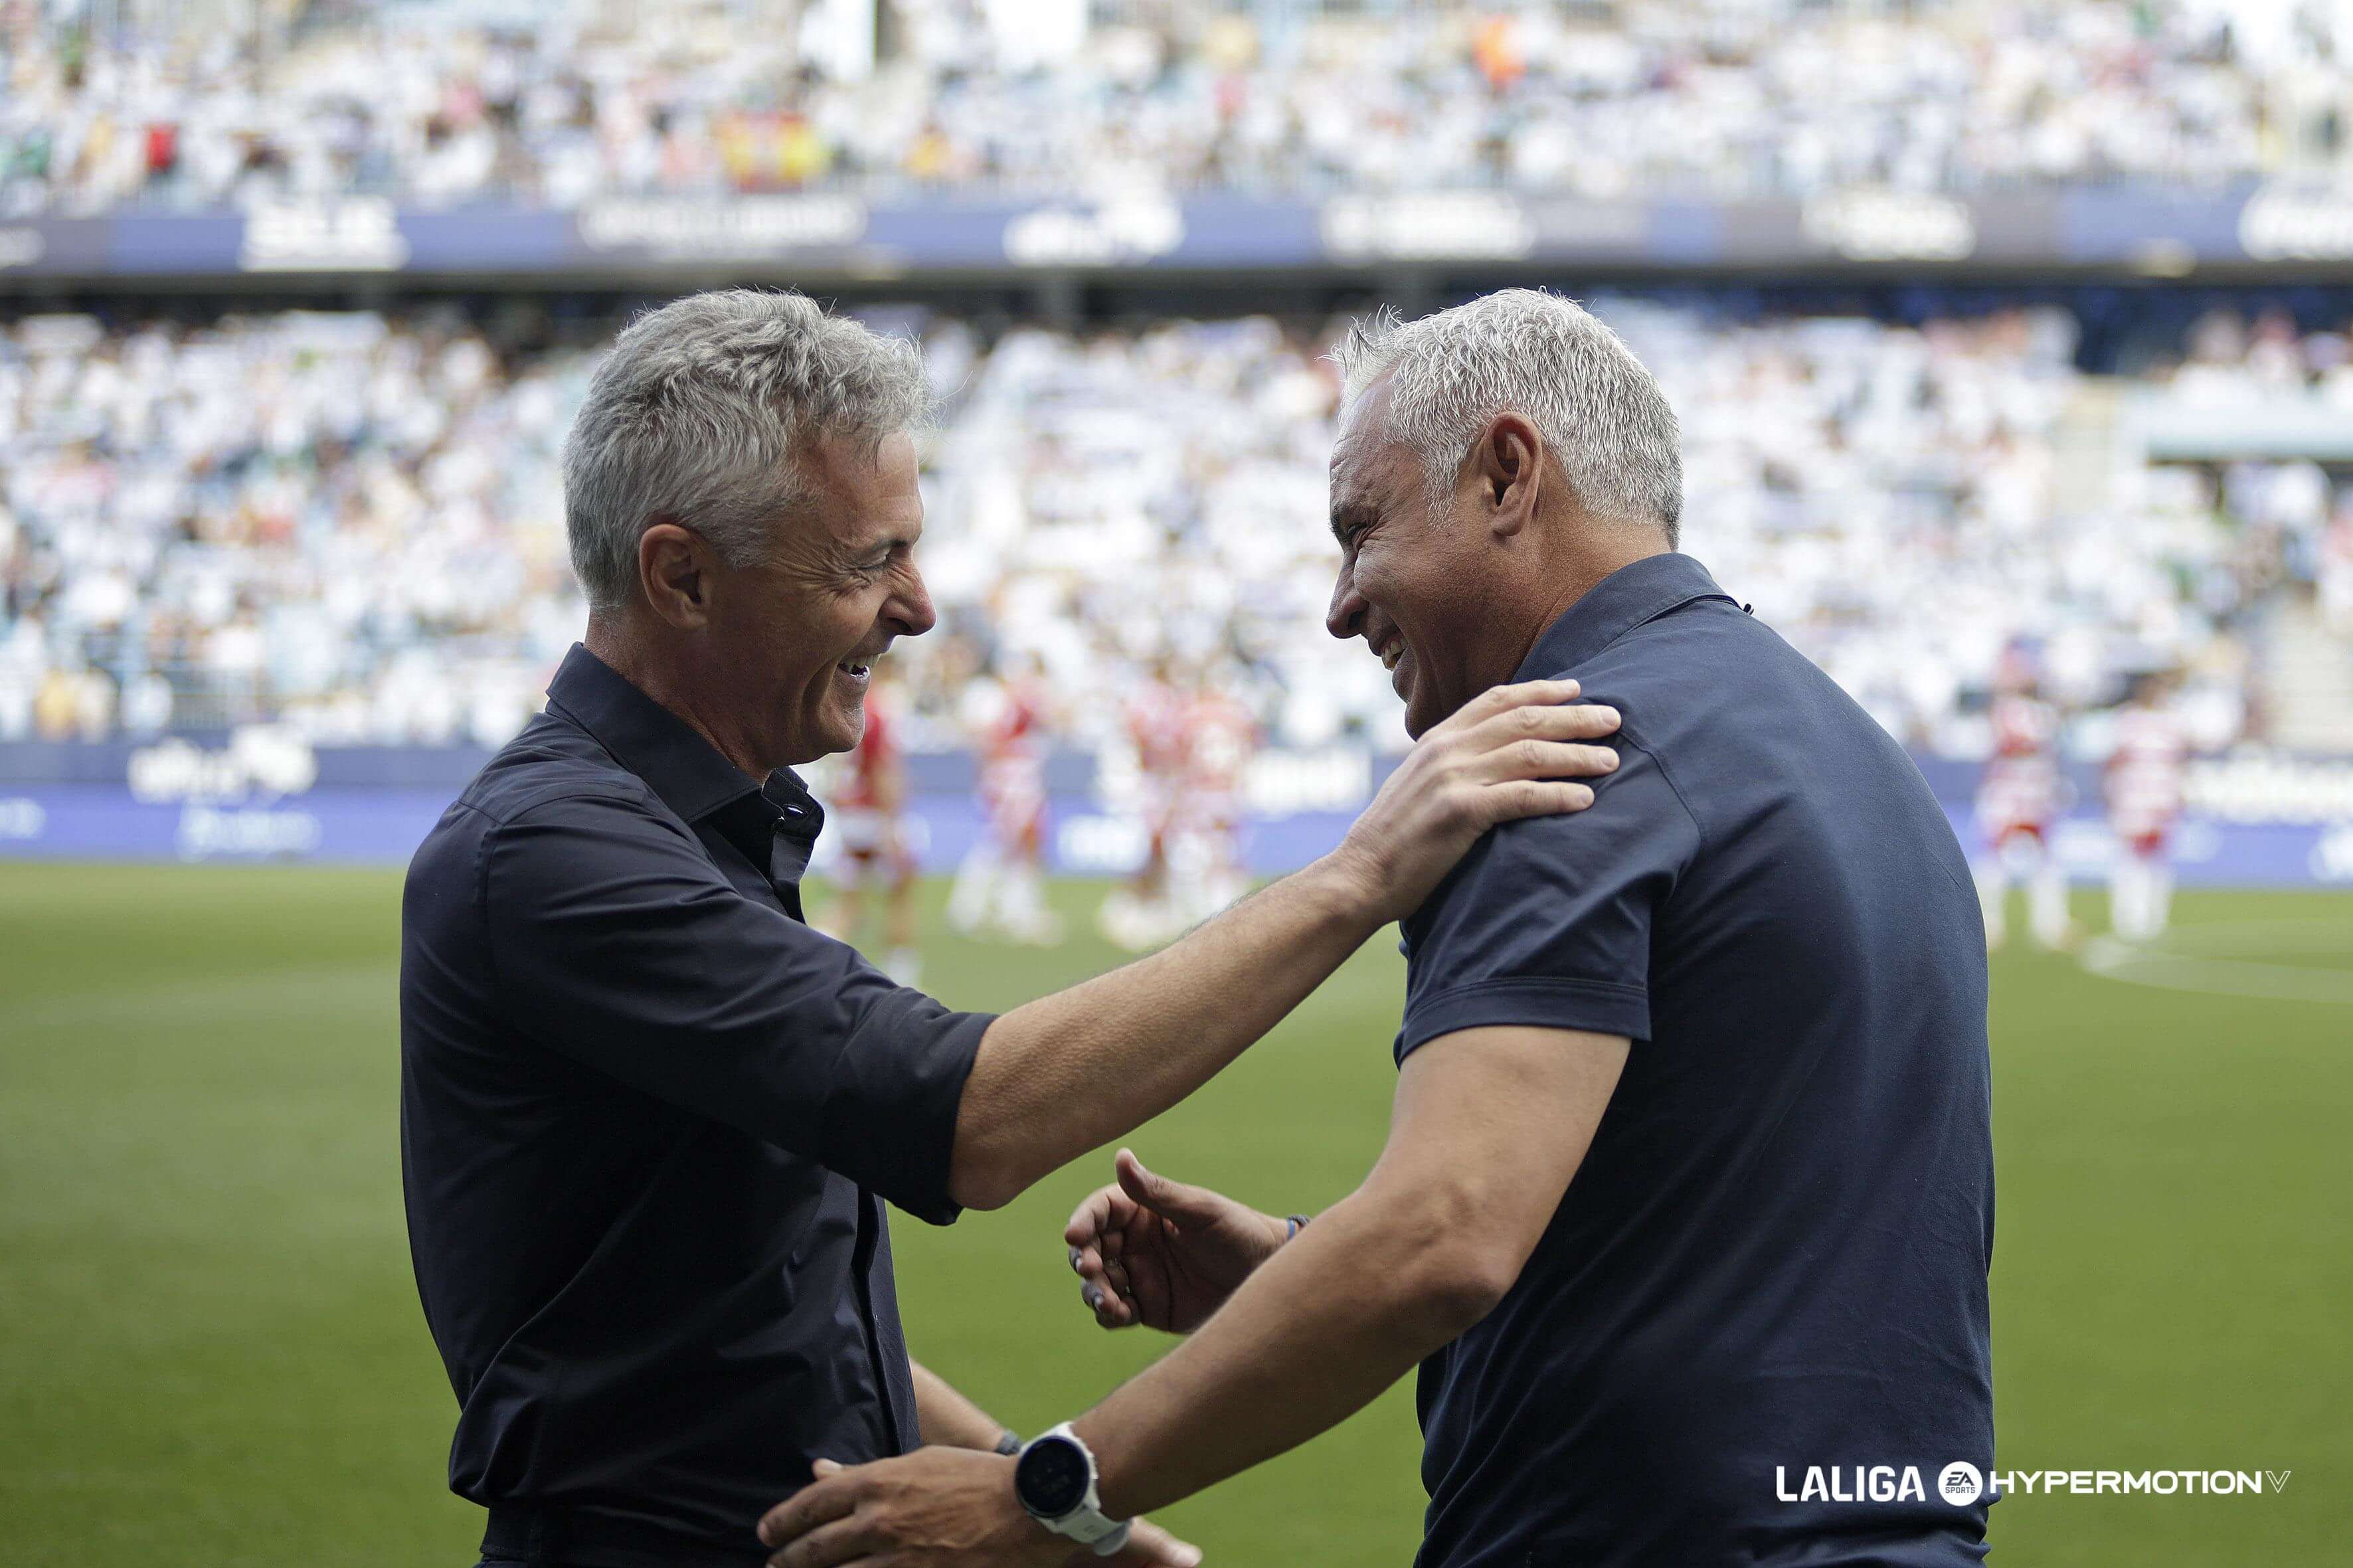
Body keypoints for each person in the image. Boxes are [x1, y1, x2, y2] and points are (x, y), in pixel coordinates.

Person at [760, 290, 1994, 1568]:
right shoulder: (1845, 747)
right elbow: (1698, 1238)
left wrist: (1049, 1494)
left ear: (1507, 475)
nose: (1341, 606)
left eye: (1361, 530)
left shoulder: (1554, 756)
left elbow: (1444, 1233)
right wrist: (1296, 1266)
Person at [398, 288, 1626, 1568]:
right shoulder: (548, 856)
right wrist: (1360, 873)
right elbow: (961, 1118)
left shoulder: (696, 822)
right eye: (865, 561)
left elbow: (773, 1319)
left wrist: (1051, 1509)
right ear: (682, 575)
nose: (918, 607)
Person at [819, 669, 922, 984]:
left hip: (852, 813)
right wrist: (892, 823)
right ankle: (903, 975)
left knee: (850, 901)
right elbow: (883, 770)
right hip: (873, 815)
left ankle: (818, 960)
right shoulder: (876, 712)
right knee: (900, 893)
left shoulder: (843, 706)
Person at [1973, 644, 2073, 950]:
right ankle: (1988, 922)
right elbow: (2013, 745)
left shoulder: (2044, 713)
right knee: (1996, 859)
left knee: (2045, 861)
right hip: (2009, 795)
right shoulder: (2007, 711)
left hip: (2036, 794)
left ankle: (2049, 924)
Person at [2103, 669, 2190, 942]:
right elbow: (2114, 760)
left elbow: (2180, 760)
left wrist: (2180, 792)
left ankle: (2155, 918)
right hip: (2132, 799)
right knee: (2129, 858)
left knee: (2159, 860)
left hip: (2161, 799)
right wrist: (2111, 792)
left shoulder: (2172, 720)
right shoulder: (2127, 720)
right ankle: (2127, 917)